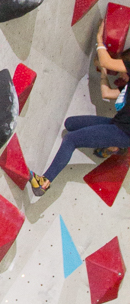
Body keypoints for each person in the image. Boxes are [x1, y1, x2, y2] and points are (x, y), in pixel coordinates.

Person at [29, 46, 130, 196]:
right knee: (70, 124)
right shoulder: (127, 87)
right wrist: (102, 71)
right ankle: (113, 146)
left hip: (123, 133)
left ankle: (44, 182)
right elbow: (107, 93)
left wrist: (99, 39)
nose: (121, 74)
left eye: (123, 69)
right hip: (116, 124)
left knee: (71, 139)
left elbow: (106, 61)